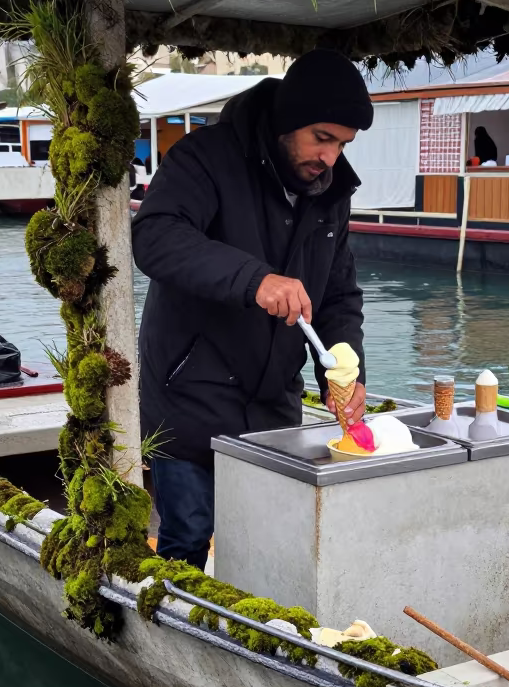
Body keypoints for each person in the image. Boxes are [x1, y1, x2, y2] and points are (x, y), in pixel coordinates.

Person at [132, 48, 373, 568]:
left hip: (272, 406)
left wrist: (346, 367)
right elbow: (154, 236)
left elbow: (338, 295)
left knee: (270, 543)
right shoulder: (204, 157)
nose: (330, 157)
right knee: (188, 537)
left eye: (343, 144)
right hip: (186, 397)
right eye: (322, 138)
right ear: (289, 119)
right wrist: (254, 279)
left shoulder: (331, 191)